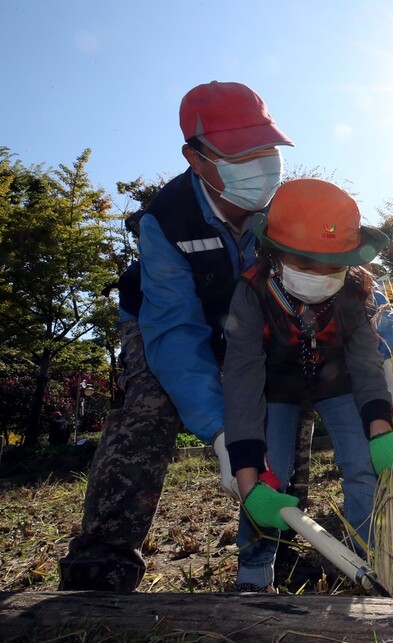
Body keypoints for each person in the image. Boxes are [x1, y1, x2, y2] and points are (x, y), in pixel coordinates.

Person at [59, 81, 293, 592]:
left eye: (266, 148)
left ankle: (276, 548)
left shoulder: (285, 212)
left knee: (285, 399)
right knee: (151, 403)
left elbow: (335, 275)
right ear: (196, 157)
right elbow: (175, 335)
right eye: (241, 152)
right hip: (163, 322)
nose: (261, 163)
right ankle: (102, 561)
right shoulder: (165, 221)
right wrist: (222, 432)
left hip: (248, 325)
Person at [222, 178, 393, 593]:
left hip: (338, 381)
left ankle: (363, 564)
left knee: (363, 463)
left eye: (333, 264)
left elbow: (364, 362)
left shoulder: (357, 291)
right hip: (276, 388)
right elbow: (242, 380)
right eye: (307, 263)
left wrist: (380, 430)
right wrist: (246, 470)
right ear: (275, 252)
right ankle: (254, 577)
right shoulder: (252, 292)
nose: (322, 276)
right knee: (270, 477)